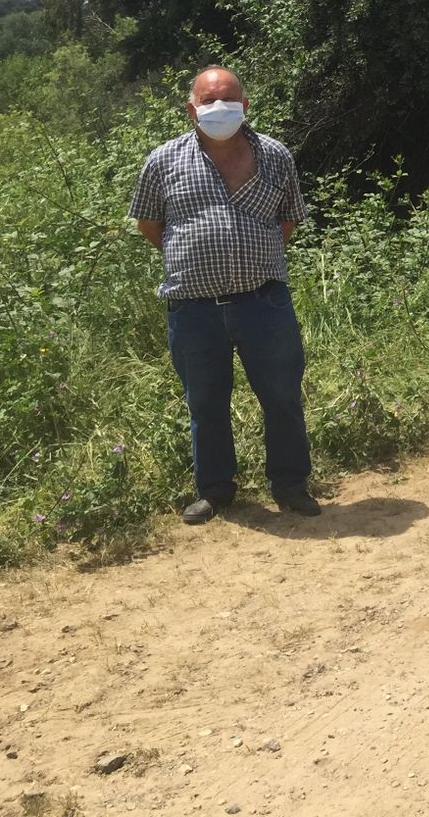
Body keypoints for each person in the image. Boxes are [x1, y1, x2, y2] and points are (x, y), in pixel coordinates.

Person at [129, 67, 318, 524]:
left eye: (229, 99)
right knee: (206, 404)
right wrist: (193, 260)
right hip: (194, 311)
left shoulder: (275, 156)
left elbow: (287, 220)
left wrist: (253, 258)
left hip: (264, 304)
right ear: (191, 108)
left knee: (282, 397)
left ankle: (291, 485)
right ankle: (215, 491)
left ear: (246, 104)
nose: (220, 109)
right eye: (209, 101)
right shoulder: (163, 160)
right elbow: (149, 224)